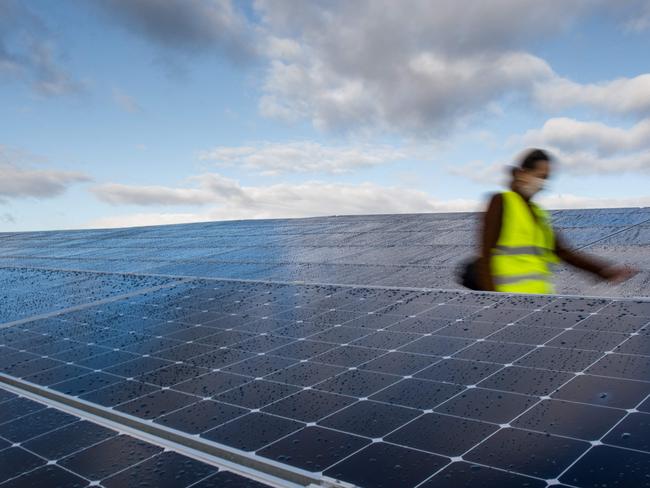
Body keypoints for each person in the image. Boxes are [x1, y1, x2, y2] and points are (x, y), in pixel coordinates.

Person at [477, 148, 636, 294]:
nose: (541, 183)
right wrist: (493, 299)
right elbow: (485, 255)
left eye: (545, 178)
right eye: (539, 176)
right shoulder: (501, 202)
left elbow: (562, 252)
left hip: (539, 300)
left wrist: (605, 271)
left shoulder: (538, 213)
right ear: (522, 173)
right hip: (507, 302)